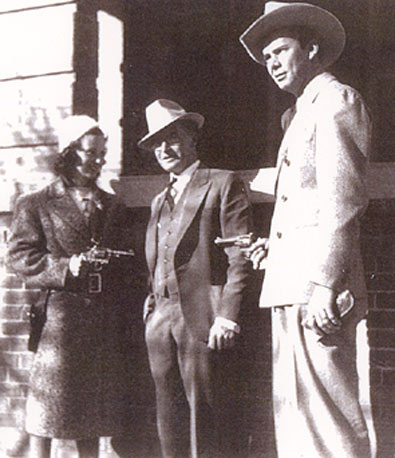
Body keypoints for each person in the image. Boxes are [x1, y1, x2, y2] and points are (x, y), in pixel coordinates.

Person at [239, 2, 372, 457]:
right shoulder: (298, 114)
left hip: (317, 291)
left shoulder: (336, 101)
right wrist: (271, 250)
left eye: (279, 50)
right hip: (291, 284)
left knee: (329, 423)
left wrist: (325, 284)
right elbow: (304, 207)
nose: (271, 63)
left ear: (312, 48)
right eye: (267, 57)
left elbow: (344, 202)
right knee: (297, 418)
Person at [6, 115, 145, 458]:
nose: (98, 160)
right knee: (47, 412)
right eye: (90, 152)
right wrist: (66, 267)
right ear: (69, 154)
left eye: (102, 152)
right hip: (60, 323)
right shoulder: (36, 203)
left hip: (103, 323)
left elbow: (129, 258)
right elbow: (19, 257)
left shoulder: (112, 205)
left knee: (93, 417)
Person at [138, 99, 252, 458]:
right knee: (168, 417)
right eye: (157, 143)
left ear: (191, 139)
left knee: (208, 417)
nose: (164, 149)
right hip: (161, 319)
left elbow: (241, 255)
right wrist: (153, 306)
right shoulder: (159, 199)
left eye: (172, 138)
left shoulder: (221, 183)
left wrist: (228, 315)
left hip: (204, 317)